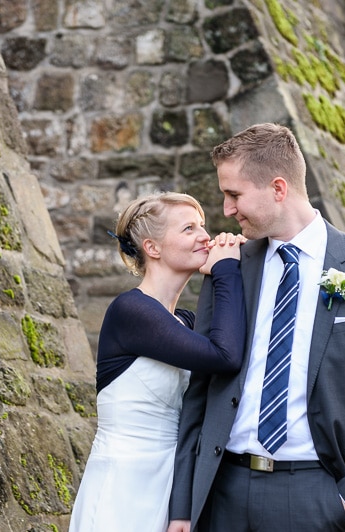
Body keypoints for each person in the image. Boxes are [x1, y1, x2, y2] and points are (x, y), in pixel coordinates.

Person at [168, 123, 345, 532]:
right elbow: (200, 390)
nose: (227, 210)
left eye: (234, 195)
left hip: (318, 495)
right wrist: (183, 506)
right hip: (222, 492)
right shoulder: (228, 268)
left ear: (278, 189)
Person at [69, 192, 247, 532]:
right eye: (189, 229)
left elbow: (232, 343)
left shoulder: (185, 322)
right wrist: (226, 270)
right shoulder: (131, 311)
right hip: (125, 486)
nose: (205, 236)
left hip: (173, 481)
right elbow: (224, 356)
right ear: (153, 248)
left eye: (203, 227)